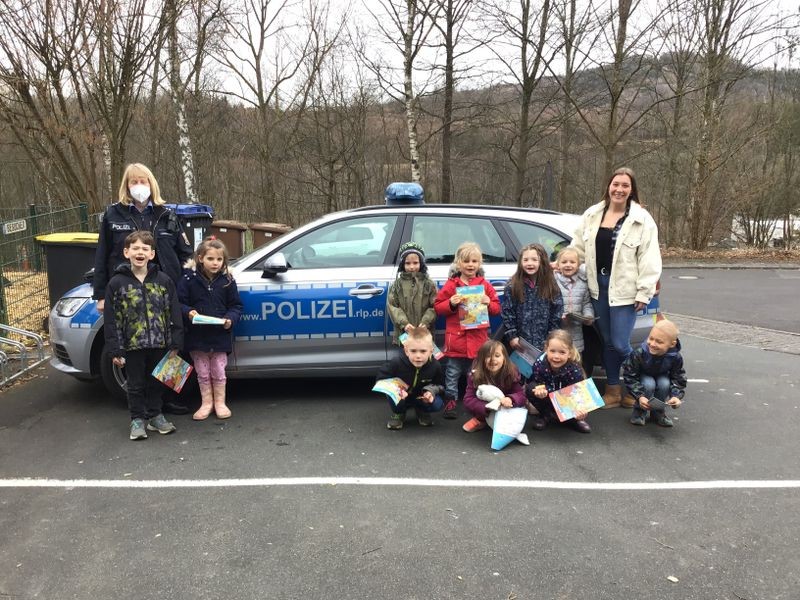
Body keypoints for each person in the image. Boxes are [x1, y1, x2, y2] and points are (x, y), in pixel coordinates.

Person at [93, 163, 194, 414]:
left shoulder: (167, 214)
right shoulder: (113, 215)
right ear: (126, 185)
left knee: (169, 346)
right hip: (130, 293)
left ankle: (166, 398)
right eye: (134, 181)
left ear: (152, 184)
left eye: (144, 181)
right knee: (138, 349)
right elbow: (102, 255)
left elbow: (186, 254)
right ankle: (143, 404)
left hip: (164, 292)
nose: (139, 186)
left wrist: (188, 286)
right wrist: (101, 294)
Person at [571, 167, 662, 409]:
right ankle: (613, 390)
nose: (619, 189)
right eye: (616, 184)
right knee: (608, 342)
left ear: (632, 190)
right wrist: (561, 263)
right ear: (608, 186)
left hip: (624, 290)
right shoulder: (593, 214)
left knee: (621, 344)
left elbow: (649, 258)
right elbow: (577, 248)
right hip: (596, 288)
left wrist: (645, 291)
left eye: (625, 185)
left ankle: (639, 384)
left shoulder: (642, 220)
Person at [104, 231, 183, 440]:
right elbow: (112, 319)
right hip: (132, 345)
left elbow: (173, 311)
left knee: (157, 381)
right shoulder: (116, 283)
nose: (140, 252)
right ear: (126, 252)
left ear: (152, 254)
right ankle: (137, 419)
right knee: (135, 384)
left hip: (160, 343)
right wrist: (115, 348)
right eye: (136, 248)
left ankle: (156, 416)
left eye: (145, 249)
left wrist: (176, 341)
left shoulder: (164, 281)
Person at [178, 237, 243, 420]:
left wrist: (230, 319)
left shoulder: (228, 281)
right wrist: (188, 312)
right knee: (202, 372)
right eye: (210, 259)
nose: (215, 263)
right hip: (197, 337)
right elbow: (179, 303)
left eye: (219, 259)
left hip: (219, 336)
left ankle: (220, 402)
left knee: (218, 371)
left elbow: (236, 306)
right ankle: (206, 403)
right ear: (200, 258)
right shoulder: (188, 279)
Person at [434, 242, 501, 419]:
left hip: (478, 340)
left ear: (479, 264)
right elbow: (438, 308)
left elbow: (497, 309)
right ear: (458, 264)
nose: (470, 265)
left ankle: (477, 402)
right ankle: (451, 400)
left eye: (474, 261)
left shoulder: (485, 286)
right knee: (452, 373)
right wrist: (451, 303)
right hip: (456, 340)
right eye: (466, 261)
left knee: (476, 374)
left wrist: (489, 302)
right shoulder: (451, 285)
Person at [375, 327, 445, 429]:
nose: (418, 356)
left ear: (431, 351)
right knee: (394, 396)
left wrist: (431, 392)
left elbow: (441, 385)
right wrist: (396, 390)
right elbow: (381, 379)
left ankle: (422, 410)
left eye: (423, 351)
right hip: (403, 396)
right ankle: (399, 413)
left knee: (437, 403)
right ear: (406, 351)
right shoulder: (396, 362)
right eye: (413, 351)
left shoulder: (435, 365)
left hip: (421, 397)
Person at [501, 243, 563, 354]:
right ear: (520, 262)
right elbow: (507, 312)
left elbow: (556, 313)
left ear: (542, 261)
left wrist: (551, 338)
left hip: (544, 342)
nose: (529, 263)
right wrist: (512, 336)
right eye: (525, 260)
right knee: (521, 370)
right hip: (520, 343)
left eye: (534, 260)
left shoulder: (551, 285)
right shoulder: (512, 285)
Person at [622, 319, 686, 427]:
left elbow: (678, 377)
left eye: (659, 342)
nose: (652, 344)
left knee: (664, 383)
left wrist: (676, 396)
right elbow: (629, 375)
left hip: (661, 375)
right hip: (643, 376)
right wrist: (640, 396)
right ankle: (639, 411)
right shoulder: (639, 353)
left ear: (672, 344)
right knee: (648, 383)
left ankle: (658, 412)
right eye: (651, 338)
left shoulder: (675, 356)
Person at [525, 329, 591, 433]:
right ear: (546, 349)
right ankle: (546, 415)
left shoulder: (574, 369)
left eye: (562, 352)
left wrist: (581, 411)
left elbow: (579, 394)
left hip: (567, 399)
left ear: (569, 353)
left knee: (578, 408)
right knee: (530, 388)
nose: (556, 356)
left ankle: (574, 420)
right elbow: (537, 382)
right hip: (549, 396)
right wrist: (540, 391)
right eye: (552, 351)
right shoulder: (539, 364)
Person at [462, 340, 526, 432]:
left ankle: (504, 423)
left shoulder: (511, 372)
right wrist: (486, 407)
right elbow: (468, 399)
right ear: (481, 359)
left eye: (497, 355)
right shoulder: (475, 374)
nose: (493, 359)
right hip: (486, 407)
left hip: (505, 407)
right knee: (476, 403)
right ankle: (481, 420)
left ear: (504, 358)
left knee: (517, 410)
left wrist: (511, 399)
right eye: (488, 356)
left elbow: (521, 395)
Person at [386, 241, 437, 347]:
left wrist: (426, 322)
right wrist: (404, 324)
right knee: (407, 356)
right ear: (402, 264)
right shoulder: (397, 285)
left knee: (424, 356)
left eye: (415, 263)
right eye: (407, 263)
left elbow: (435, 305)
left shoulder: (429, 284)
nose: (412, 267)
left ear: (421, 263)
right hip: (405, 332)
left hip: (424, 331)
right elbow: (392, 306)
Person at [553, 246, 595, 371]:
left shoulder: (582, 282)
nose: (568, 265)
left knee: (576, 363)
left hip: (576, 330)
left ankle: (577, 387)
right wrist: (558, 317)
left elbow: (586, 303)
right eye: (564, 262)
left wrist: (588, 317)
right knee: (557, 360)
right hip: (558, 330)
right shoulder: (554, 282)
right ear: (558, 265)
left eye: (572, 262)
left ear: (578, 265)